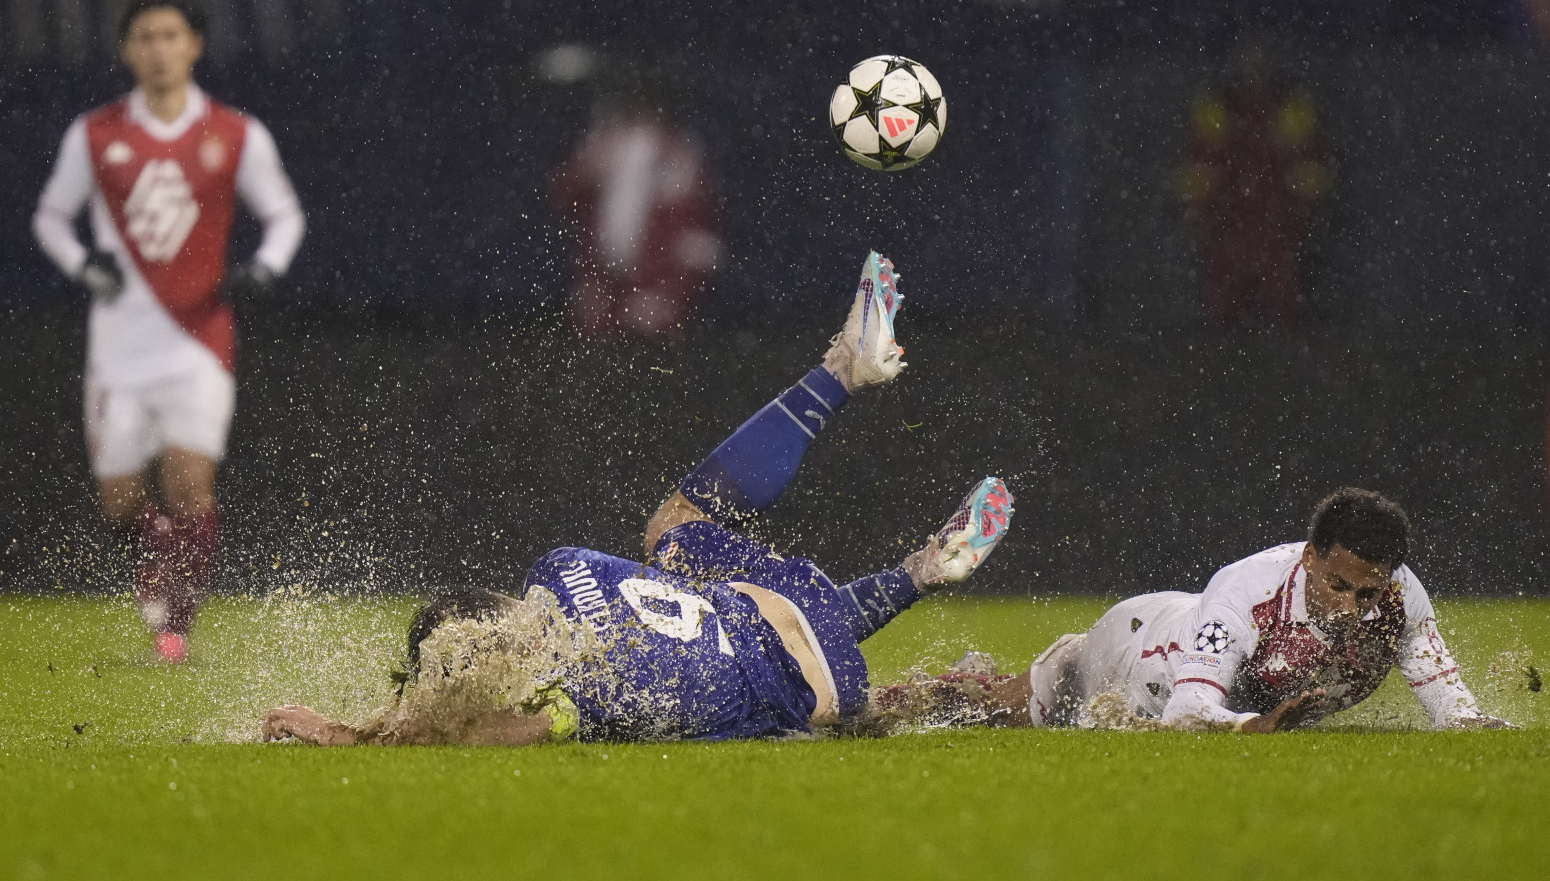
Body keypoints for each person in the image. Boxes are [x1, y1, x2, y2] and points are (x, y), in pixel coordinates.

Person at [262, 252, 1015, 746]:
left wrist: (352, 734)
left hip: (817, 694)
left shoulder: (575, 696)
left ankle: (922, 572)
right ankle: (842, 375)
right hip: (766, 604)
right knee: (676, 524)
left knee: (890, 703)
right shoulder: (558, 568)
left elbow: (477, 733)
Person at [31, 1, 305, 662]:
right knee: (120, 501)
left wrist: (264, 269)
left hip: (198, 340)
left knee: (188, 483)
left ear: (195, 46)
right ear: (127, 50)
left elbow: (285, 215)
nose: (158, 49)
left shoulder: (235, 133)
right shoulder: (93, 134)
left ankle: (173, 627)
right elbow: (50, 217)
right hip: (119, 345)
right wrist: (82, 262)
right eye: (145, 37)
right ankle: (160, 571)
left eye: (170, 36)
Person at [876, 488, 1510, 733]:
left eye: (1367, 594)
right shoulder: (1247, 592)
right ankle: (910, 697)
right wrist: (1245, 727)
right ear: (1312, 556)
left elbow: (1452, 704)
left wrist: (1480, 728)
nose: (1351, 607)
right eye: (1338, 586)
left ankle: (982, 679)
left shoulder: (1402, 600)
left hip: (1175, 627)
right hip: (1136, 651)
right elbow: (1185, 709)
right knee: (1014, 712)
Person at [550, 63, 719, 341]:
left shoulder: (678, 153)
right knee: (595, 335)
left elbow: (694, 228)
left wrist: (672, 285)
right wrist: (586, 173)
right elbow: (565, 194)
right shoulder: (605, 144)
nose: (641, 115)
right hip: (603, 273)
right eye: (635, 106)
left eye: (649, 107)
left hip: (656, 276)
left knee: (650, 336)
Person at [1180, 38, 1330, 328]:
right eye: (1248, 58)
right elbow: (1200, 161)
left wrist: (1305, 210)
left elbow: (1309, 162)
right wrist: (1197, 209)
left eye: (1260, 59)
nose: (1254, 67)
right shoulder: (1219, 104)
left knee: (1283, 298)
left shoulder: (1290, 103)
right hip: (1230, 215)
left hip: (1277, 217)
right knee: (1224, 299)